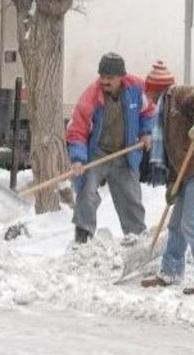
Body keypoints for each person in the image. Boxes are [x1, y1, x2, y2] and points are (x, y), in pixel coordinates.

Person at [139, 61, 194, 294]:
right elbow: (175, 154)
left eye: (147, 90)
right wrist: (172, 186)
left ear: (154, 88)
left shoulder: (178, 95)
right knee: (176, 224)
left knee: (191, 223)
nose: (146, 95)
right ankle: (171, 271)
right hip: (187, 173)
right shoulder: (163, 113)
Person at [67, 53, 156, 244]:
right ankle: (83, 238)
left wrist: (147, 132)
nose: (105, 81)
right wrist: (78, 159)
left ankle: (137, 239)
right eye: (102, 76)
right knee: (87, 191)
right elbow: (77, 131)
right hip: (98, 153)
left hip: (125, 152)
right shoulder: (91, 97)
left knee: (131, 197)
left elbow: (149, 111)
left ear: (121, 77)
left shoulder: (136, 88)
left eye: (110, 78)